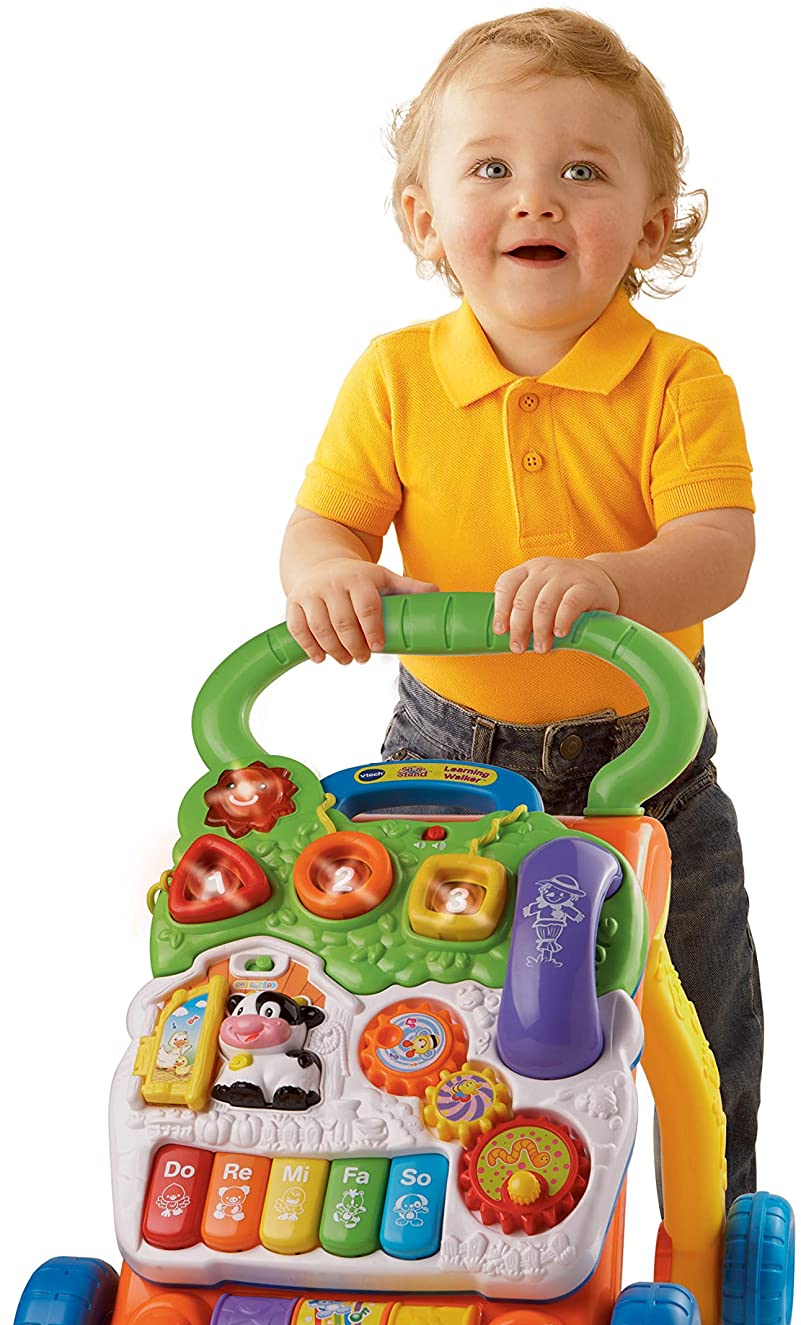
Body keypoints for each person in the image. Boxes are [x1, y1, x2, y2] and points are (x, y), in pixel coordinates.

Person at [279, 8, 762, 1211]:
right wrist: (330, 577)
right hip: (442, 766)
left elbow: (719, 551)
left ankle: (711, 1227)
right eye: (491, 168)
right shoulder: (394, 378)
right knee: (426, 1011)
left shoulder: (679, 381)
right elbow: (323, 529)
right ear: (422, 215)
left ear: (653, 225)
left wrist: (614, 582)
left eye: (581, 172)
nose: (535, 199)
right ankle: (446, 1219)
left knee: (698, 1015)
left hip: (649, 766)